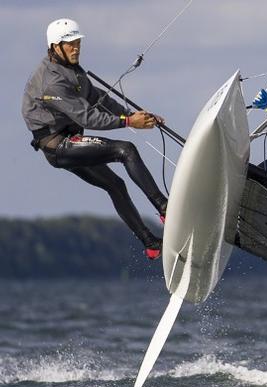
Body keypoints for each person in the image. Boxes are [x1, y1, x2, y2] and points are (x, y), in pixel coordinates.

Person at [22, 18, 168, 260]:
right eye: (70, 44)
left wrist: (134, 115)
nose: (76, 48)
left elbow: (98, 98)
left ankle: (151, 244)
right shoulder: (52, 82)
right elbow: (89, 117)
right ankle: (164, 208)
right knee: (126, 150)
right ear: (54, 47)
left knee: (116, 185)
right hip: (59, 147)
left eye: (78, 43)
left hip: (71, 141)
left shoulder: (72, 70)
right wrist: (130, 123)